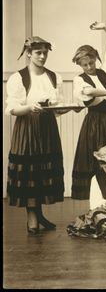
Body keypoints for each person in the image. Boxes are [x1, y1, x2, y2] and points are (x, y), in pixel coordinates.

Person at [6, 36, 68, 234]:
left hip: (47, 127)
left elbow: (56, 108)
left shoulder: (53, 77)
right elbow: (13, 109)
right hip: (27, 127)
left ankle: (39, 214)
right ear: (29, 54)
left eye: (45, 53)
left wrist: (69, 108)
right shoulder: (18, 78)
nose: (42, 56)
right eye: (38, 53)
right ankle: (32, 216)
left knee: (43, 170)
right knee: (30, 171)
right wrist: (28, 108)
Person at [71, 21, 106, 200]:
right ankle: (97, 204)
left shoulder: (105, 72)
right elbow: (88, 92)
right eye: (84, 65)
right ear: (80, 65)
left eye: (91, 62)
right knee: (94, 161)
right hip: (93, 123)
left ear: (96, 59)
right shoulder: (79, 79)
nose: (89, 67)